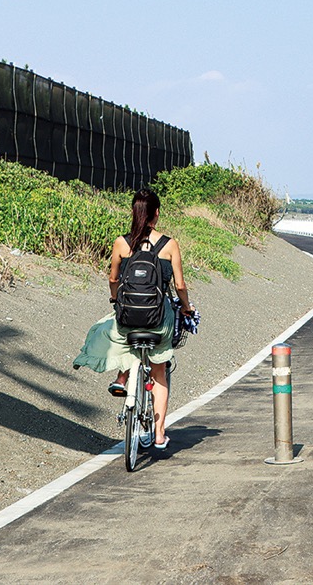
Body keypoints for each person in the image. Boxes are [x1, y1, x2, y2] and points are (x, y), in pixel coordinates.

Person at [74, 188, 194, 450]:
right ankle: (159, 434)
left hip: (128, 316)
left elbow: (113, 279)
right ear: (157, 213)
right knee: (159, 373)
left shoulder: (121, 242)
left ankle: (121, 378)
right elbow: (180, 285)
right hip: (158, 319)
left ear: (133, 212)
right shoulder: (169, 245)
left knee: (123, 333)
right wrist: (186, 307)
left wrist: (116, 299)